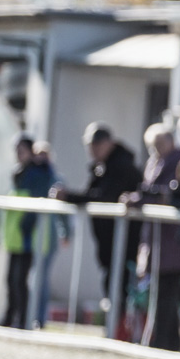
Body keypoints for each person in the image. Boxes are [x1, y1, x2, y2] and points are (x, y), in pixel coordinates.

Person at [52, 122, 144, 301]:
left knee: (120, 287)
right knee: (111, 284)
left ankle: (119, 327)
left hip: (124, 241)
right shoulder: (102, 167)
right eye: (91, 145)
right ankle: (115, 326)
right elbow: (93, 194)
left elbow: (103, 197)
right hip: (108, 240)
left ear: (109, 143)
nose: (93, 150)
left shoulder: (121, 166)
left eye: (97, 144)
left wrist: (69, 196)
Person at [131, 123, 180, 350]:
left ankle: (166, 341)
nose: (157, 149)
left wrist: (140, 199)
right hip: (155, 240)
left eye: (160, 144)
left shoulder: (179, 161)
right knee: (159, 292)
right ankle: (168, 340)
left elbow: (167, 195)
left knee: (168, 293)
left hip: (172, 241)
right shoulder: (153, 162)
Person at [0, 134, 56, 329]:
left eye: (21, 150)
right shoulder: (20, 172)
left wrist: (25, 227)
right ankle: (11, 316)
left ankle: (22, 319)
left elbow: (34, 206)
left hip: (27, 236)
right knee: (11, 279)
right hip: (16, 236)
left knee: (20, 280)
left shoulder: (38, 173)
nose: (18, 154)